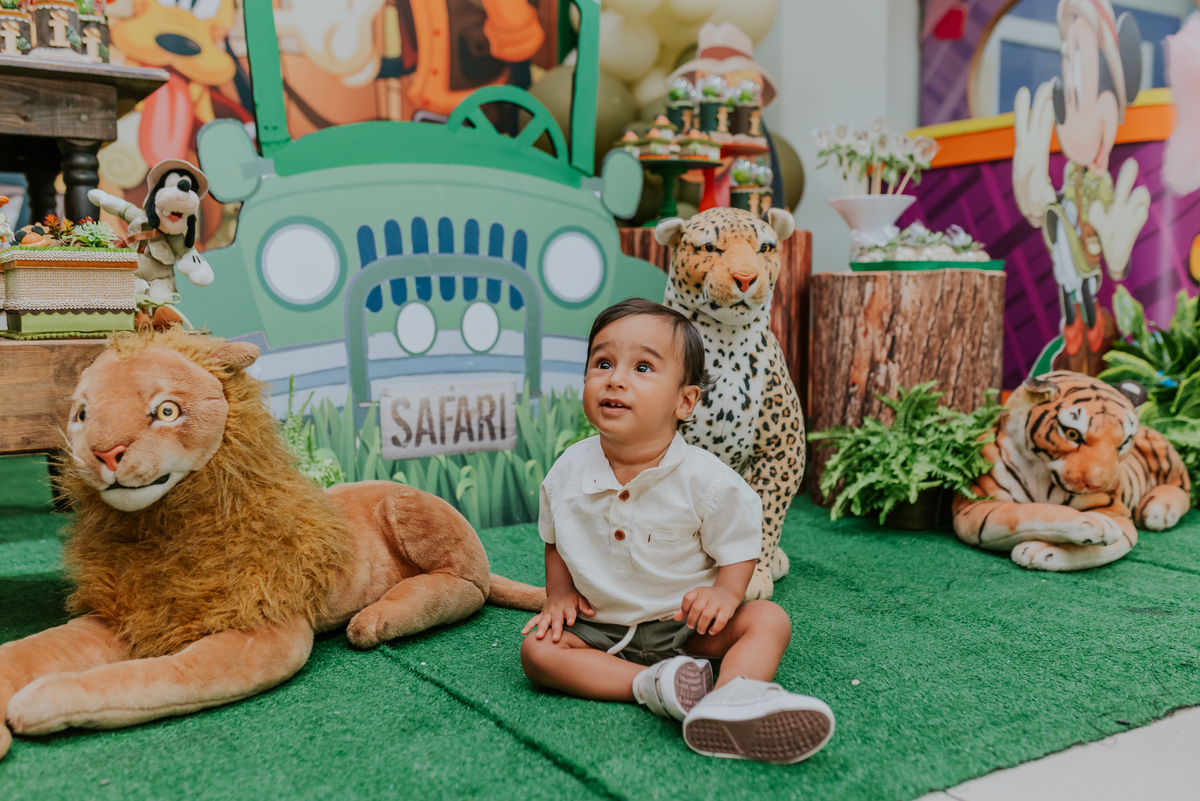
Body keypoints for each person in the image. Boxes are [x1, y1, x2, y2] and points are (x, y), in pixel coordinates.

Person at [520, 298, 834, 763]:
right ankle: (651, 687)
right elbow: (556, 539)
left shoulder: (706, 481)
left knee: (768, 620)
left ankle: (734, 696)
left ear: (685, 401)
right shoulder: (567, 470)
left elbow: (739, 549)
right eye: (602, 363)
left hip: (687, 628)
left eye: (642, 367)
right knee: (537, 653)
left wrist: (726, 596)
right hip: (603, 629)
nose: (616, 378)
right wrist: (559, 595)